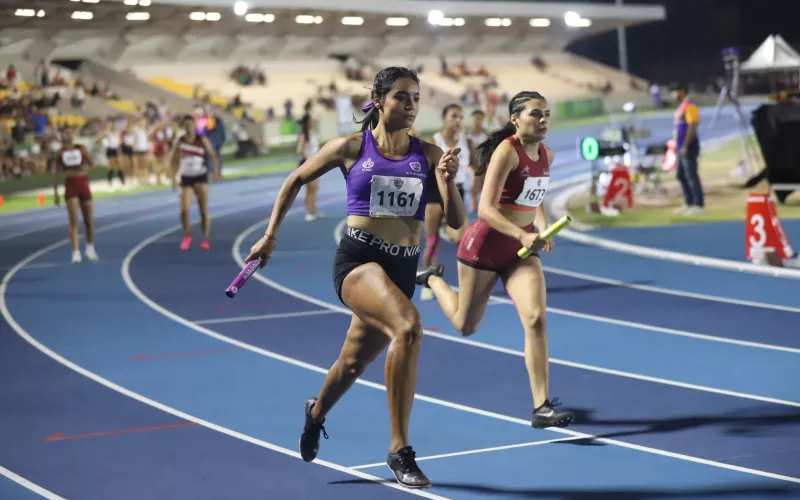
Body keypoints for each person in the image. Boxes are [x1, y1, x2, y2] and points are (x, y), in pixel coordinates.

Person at [244, 66, 465, 489]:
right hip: (359, 263)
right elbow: (294, 179)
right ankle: (399, 450)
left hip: (400, 270)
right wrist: (270, 236)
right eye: (402, 96)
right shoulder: (350, 147)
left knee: (350, 364)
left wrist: (448, 181)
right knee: (409, 328)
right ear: (380, 101)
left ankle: (316, 412)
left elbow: (456, 221)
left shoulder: (431, 155)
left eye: (417, 97)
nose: (411, 105)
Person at [416, 91, 575, 430]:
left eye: (547, 114)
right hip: (484, 248)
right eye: (536, 114)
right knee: (465, 326)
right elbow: (485, 209)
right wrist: (522, 235)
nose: (543, 120)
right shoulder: (507, 151)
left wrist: (543, 230)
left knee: (535, 319)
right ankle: (432, 278)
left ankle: (541, 406)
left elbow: (537, 196)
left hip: (521, 252)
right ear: (515, 118)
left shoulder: (547, 153)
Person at [420, 104, 475, 300]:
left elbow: (478, 169)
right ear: (443, 118)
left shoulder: (467, 142)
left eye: (460, 117)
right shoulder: (434, 141)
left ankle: (467, 285)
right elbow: (422, 171)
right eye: (453, 116)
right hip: (435, 195)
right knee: (432, 243)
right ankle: (427, 282)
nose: (458, 121)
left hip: (456, 192)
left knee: (464, 240)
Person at [171, 115, 220, 251]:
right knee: (184, 210)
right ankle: (187, 236)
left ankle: (205, 239)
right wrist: (173, 178)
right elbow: (173, 160)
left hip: (200, 176)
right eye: (185, 125)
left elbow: (212, 154)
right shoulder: (180, 141)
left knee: (203, 210)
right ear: (183, 126)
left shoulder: (201, 139)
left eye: (190, 124)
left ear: (194, 125)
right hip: (186, 177)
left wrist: (215, 171)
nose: (188, 127)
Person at [53, 128, 99, 263]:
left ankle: (90, 249)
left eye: (70, 133)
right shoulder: (60, 152)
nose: (68, 134)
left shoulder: (81, 149)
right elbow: (55, 173)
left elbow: (92, 164)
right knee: (74, 220)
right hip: (71, 185)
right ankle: (76, 252)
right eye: (65, 133)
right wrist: (55, 193)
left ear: (73, 136)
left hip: (83, 183)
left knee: (89, 220)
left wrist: (86, 168)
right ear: (62, 137)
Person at [672, 83, 704, 215]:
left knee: (691, 175)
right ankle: (689, 202)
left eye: (675, 92)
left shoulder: (690, 105)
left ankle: (698, 204)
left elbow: (692, 125)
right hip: (680, 147)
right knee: (680, 175)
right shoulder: (681, 107)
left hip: (688, 146)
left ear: (682, 91)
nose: (673, 95)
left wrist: (685, 145)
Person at [296, 101, 321, 221]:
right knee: (310, 189)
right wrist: (308, 161)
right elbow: (300, 149)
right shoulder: (304, 134)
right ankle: (308, 212)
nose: (313, 121)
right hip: (307, 163)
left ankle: (314, 210)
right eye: (311, 119)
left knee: (315, 188)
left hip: (314, 162)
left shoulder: (313, 132)